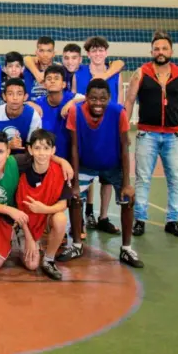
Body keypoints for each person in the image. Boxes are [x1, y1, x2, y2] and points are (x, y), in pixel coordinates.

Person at [0, 130, 74, 280]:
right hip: (9, 215)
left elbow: (42, 155)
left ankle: (47, 258)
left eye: (0, 151)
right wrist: (11, 211)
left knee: (59, 220)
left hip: (22, 217)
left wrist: (63, 161)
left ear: (8, 152)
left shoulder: (20, 162)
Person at [125, 31, 178, 239]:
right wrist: (124, 129)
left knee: (175, 179)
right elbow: (129, 101)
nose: (160, 52)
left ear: (171, 51)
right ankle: (139, 219)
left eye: (164, 48)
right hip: (146, 134)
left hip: (172, 137)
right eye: (157, 48)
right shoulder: (141, 73)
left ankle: (173, 220)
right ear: (151, 51)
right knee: (142, 178)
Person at [66, 79, 144, 268]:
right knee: (74, 197)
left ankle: (126, 249)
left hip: (113, 165)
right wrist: (75, 182)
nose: (98, 103)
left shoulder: (118, 112)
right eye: (93, 98)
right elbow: (74, 147)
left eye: (102, 99)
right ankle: (77, 245)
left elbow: (125, 146)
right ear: (86, 98)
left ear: (109, 98)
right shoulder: (75, 111)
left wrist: (126, 182)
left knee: (128, 198)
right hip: (86, 164)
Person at [73, 36, 124, 234]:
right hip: (87, 131)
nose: (97, 54)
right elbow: (77, 102)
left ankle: (104, 217)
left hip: (109, 133)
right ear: (88, 54)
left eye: (101, 50)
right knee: (85, 174)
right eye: (93, 51)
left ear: (106, 52)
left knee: (107, 178)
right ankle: (86, 215)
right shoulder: (81, 73)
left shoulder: (116, 74)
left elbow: (120, 104)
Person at [14, 129, 72, 280]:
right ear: (30, 150)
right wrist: (30, 239)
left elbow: (63, 204)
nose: (41, 153)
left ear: (53, 150)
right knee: (32, 265)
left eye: (46, 148)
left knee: (60, 219)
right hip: (24, 220)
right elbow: (20, 207)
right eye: (37, 148)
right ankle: (21, 237)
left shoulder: (60, 171)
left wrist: (44, 209)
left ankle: (49, 259)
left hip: (45, 216)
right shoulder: (21, 166)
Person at [30, 65, 75, 159]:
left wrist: (72, 102)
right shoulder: (39, 103)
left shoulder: (71, 98)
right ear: (44, 84)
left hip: (69, 156)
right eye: (49, 78)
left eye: (56, 78)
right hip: (45, 157)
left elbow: (88, 98)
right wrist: (28, 103)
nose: (52, 81)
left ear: (64, 84)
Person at [0, 78, 42, 153]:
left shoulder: (33, 116)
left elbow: (34, 147)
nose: (15, 98)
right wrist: (8, 145)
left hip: (24, 157)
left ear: (25, 97)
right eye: (10, 94)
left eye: (19, 94)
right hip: (0, 155)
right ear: (4, 96)